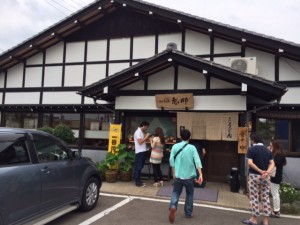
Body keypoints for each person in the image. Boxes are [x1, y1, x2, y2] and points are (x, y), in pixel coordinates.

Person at [168, 129, 203, 223]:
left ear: (180, 136)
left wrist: (173, 173)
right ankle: (188, 213)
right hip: (189, 176)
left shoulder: (175, 146)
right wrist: (200, 174)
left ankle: (173, 206)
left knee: (176, 192)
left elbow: (171, 160)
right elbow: (197, 161)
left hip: (178, 175)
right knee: (190, 194)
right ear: (189, 137)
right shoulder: (192, 148)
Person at [242, 132, 274, 225]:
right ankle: (266, 222)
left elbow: (250, 163)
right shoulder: (267, 150)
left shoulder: (251, 149)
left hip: (254, 176)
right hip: (266, 177)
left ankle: (254, 219)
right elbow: (272, 163)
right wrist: (267, 172)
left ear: (253, 140)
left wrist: (260, 171)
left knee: (254, 197)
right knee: (265, 198)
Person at [268, 139, 287, 218]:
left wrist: (270, 152)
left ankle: (276, 211)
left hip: (275, 176)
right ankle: (275, 210)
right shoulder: (278, 154)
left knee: (275, 193)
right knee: (274, 193)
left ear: (275, 146)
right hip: (275, 176)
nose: (270, 146)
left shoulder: (278, 155)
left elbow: (274, 163)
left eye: (271, 145)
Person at [133, 121, 151, 187]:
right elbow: (140, 142)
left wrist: (147, 137)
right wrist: (146, 137)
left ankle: (139, 180)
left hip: (142, 151)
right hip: (139, 152)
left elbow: (142, 141)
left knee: (140, 167)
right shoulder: (137, 132)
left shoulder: (141, 132)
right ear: (143, 125)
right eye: (146, 127)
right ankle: (137, 182)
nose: (146, 128)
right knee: (138, 167)